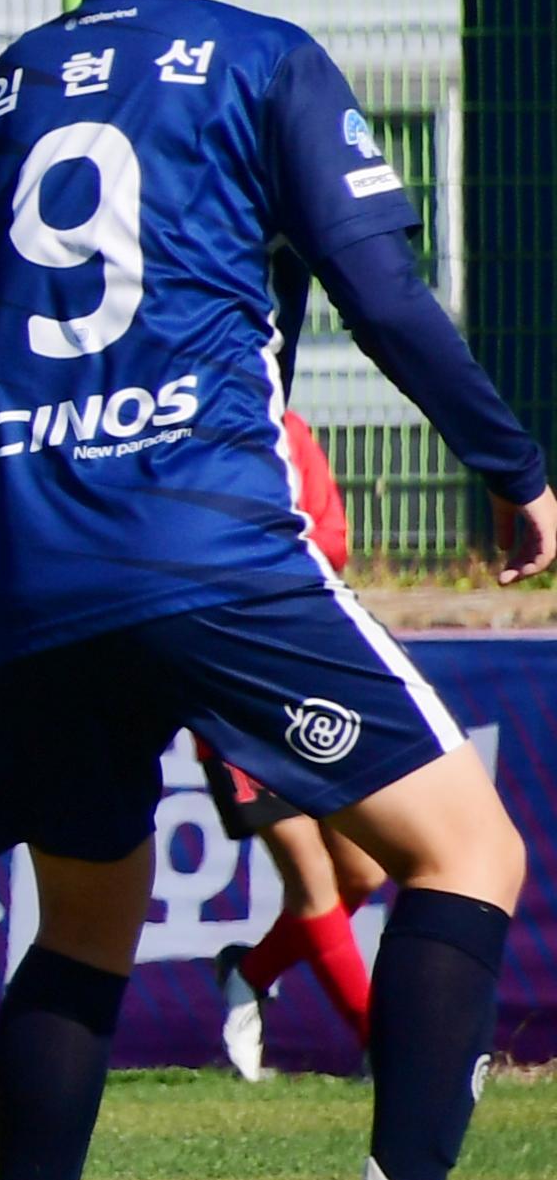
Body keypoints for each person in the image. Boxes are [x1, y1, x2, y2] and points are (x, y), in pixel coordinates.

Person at [0, 0, 555, 1180]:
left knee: (77, 925)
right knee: (466, 849)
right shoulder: (263, 61)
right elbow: (382, 294)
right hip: (211, 541)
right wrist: (514, 464)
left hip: (33, 557)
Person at [200, 410, 380, 1082]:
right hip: (230, 692)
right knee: (311, 879)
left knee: (360, 872)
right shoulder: (179, 434)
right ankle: (383, 1049)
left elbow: (332, 539)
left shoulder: (285, 428)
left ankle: (250, 972)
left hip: (313, 678)